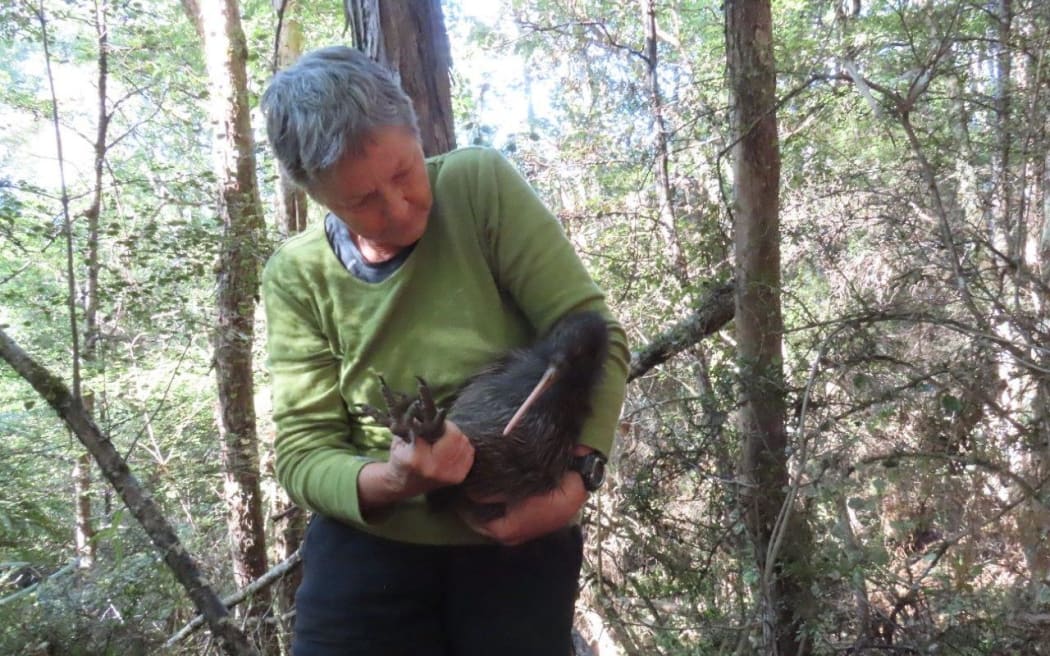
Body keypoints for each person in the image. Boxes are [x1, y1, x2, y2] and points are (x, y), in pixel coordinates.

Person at [260, 45, 628, 656]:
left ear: (416, 133)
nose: (398, 207)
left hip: (518, 532)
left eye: (404, 173)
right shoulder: (297, 275)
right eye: (361, 202)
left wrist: (577, 481)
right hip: (366, 556)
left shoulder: (475, 186)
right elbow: (303, 454)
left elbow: (592, 333)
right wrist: (394, 479)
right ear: (317, 196)